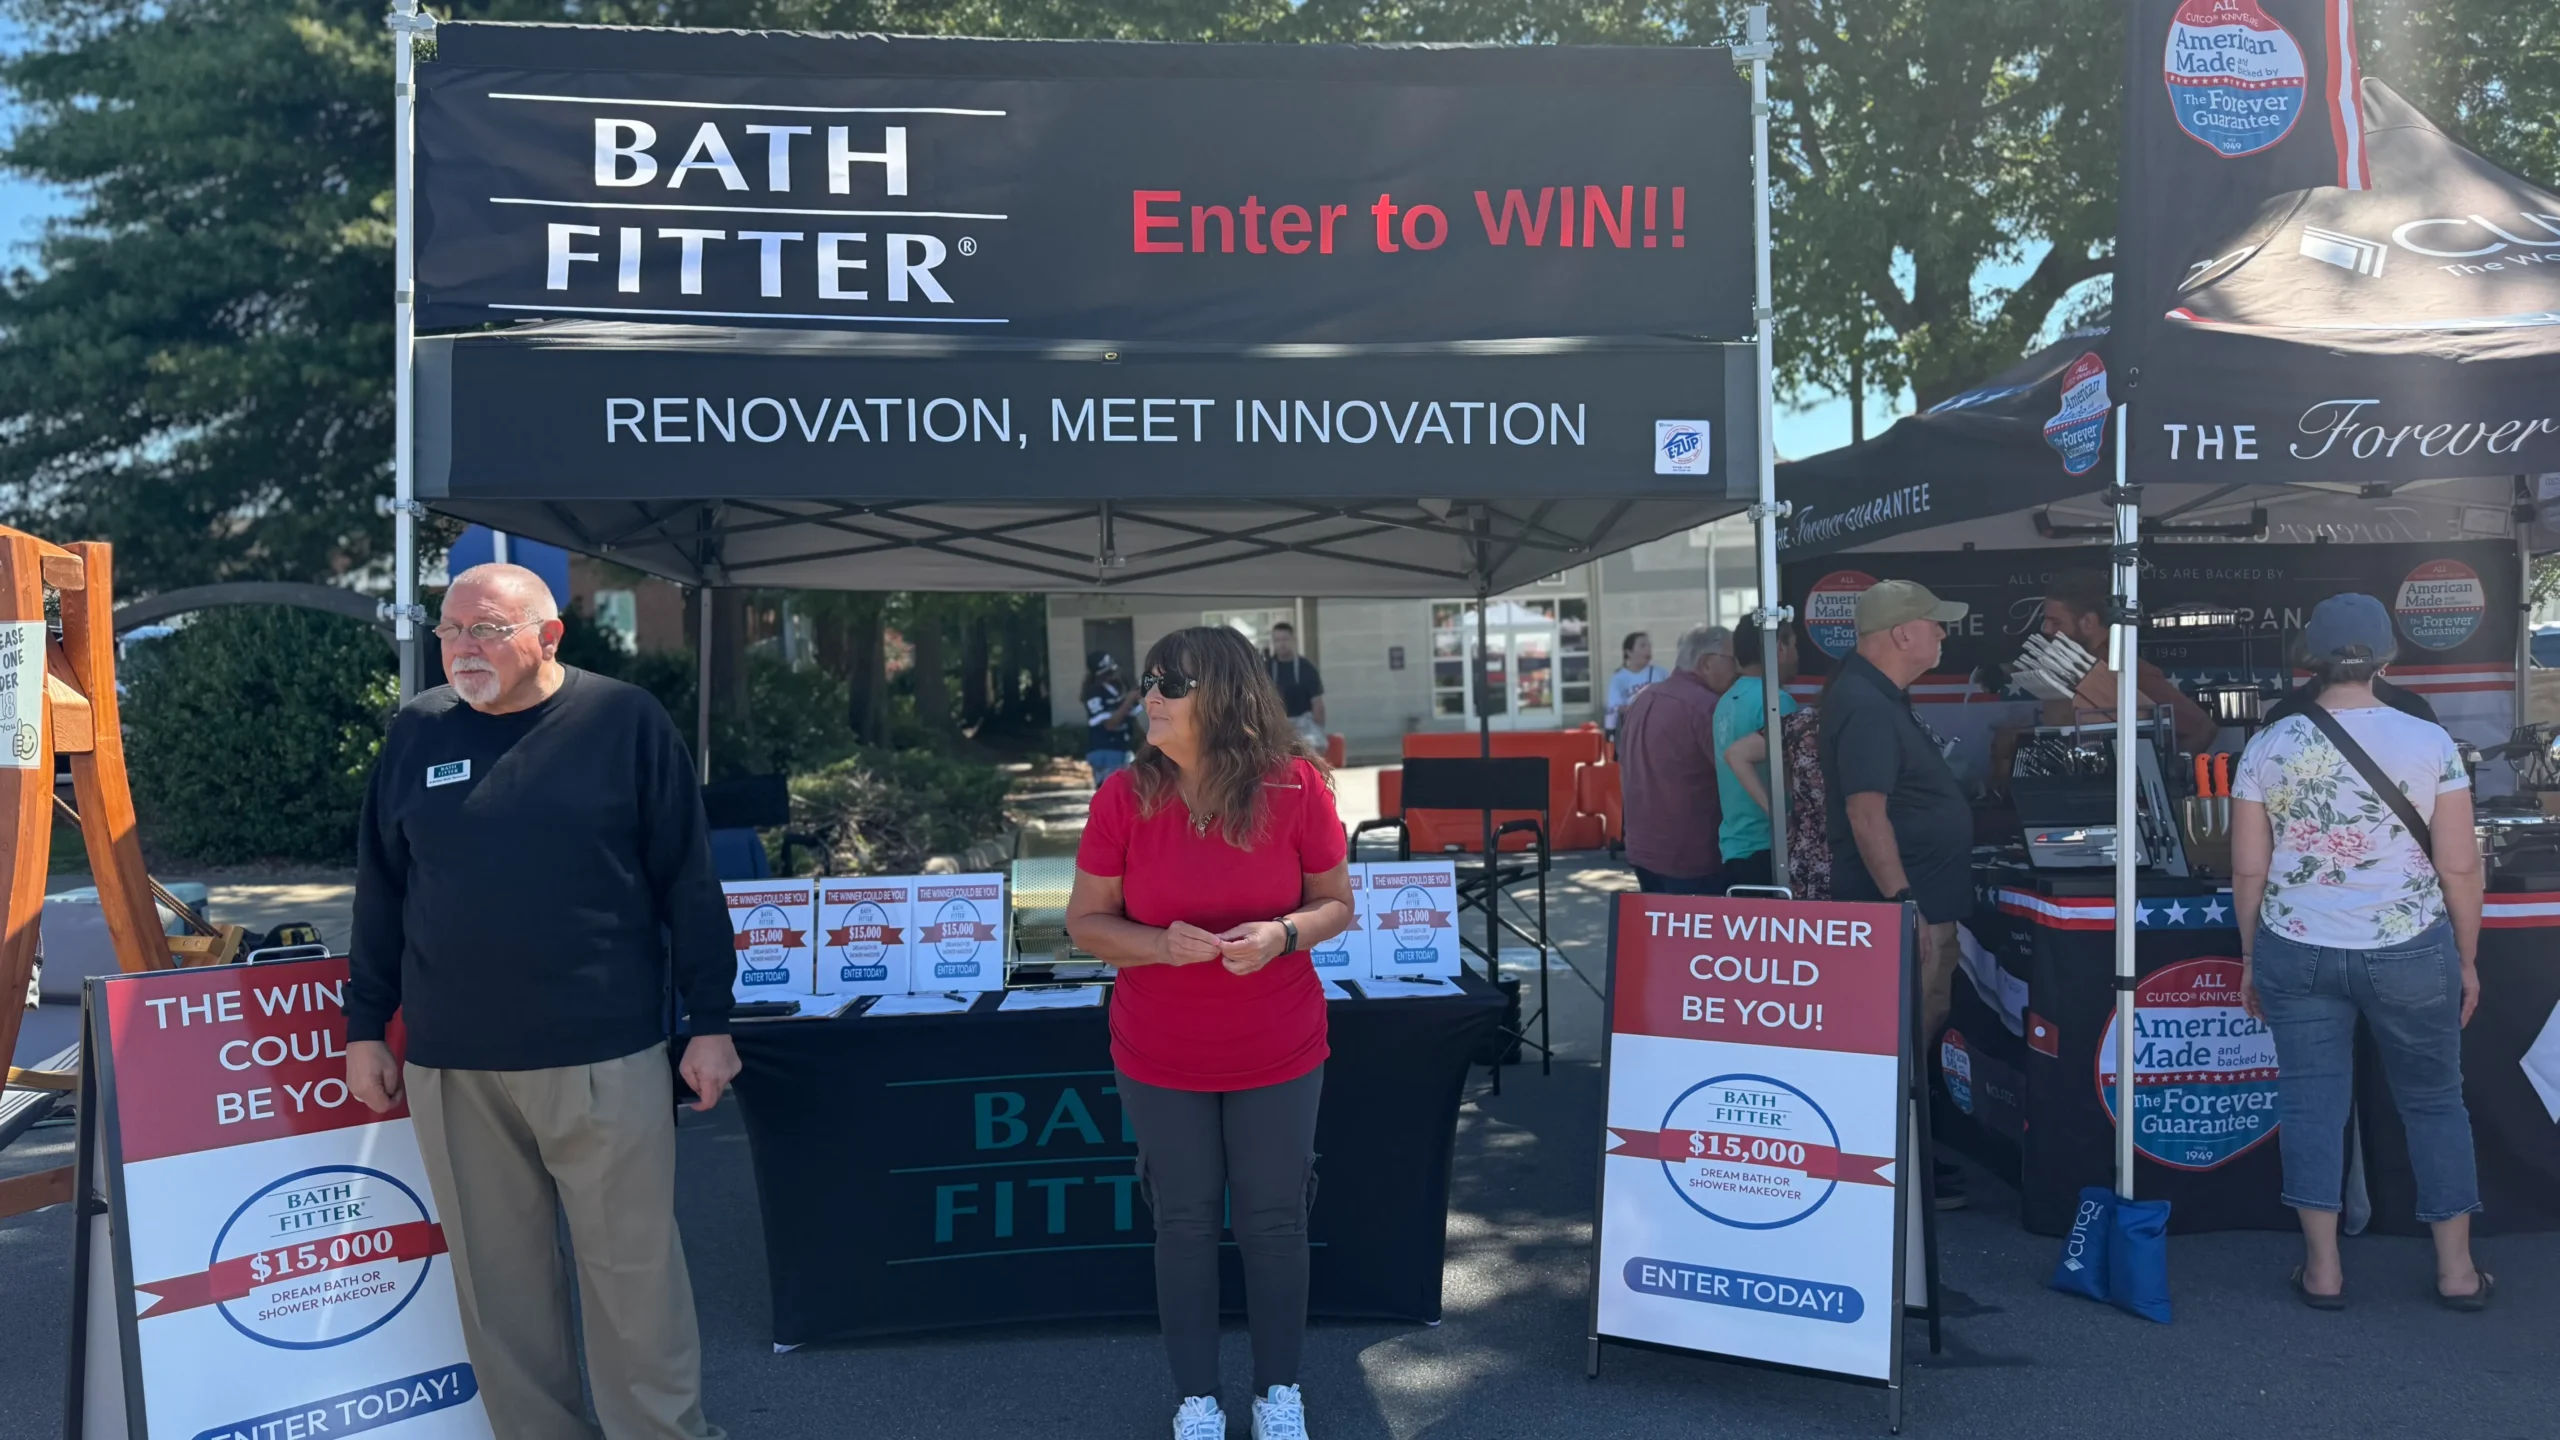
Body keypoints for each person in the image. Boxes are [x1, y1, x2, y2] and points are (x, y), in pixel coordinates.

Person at [346, 563, 735, 1440]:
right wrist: (364, 1024)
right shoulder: (417, 731)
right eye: (450, 631)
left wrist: (710, 1022)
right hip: (453, 1061)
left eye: (485, 630)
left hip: (604, 1053)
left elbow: (688, 879)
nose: (462, 649)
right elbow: (382, 889)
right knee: (499, 1291)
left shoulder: (622, 720)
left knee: (633, 1282)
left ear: (549, 636)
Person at [1065, 626, 1357, 1440]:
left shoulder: (1296, 786)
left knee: (1275, 1222)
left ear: (1224, 695)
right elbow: (1085, 922)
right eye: (1149, 680)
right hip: (1159, 1050)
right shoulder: (1123, 796)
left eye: (1171, 683)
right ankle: (1197, 1401)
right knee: (1185, 1223)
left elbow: (1336, 903)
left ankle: (1278, 1395)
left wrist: (1283, 935)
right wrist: (1159, 946)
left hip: (1279, 1045)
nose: (1149, 696)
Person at [2231, 593, 2491, 1311]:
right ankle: (2457, 1273)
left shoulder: (2268, 745)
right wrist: (2467, 958)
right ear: (2387, 658)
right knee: (2434, 1103)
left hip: (2296, 945)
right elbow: (2459, 865)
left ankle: (2323, 1271)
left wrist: (2251, 957)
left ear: (2310, 658)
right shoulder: (2429, 741)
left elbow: (2249, 870)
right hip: (2410, 946)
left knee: (2311, 1103)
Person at [1817, 579, 1973, 1208]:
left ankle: (1905, 1164)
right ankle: (1891, 1177)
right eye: (1936, 624)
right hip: (1905, 910)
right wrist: (1902, 903)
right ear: (1903, 633)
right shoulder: (1865, 703)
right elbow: (1865, 813)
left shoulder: (1876, 696)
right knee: (1894, 1044)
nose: (1943, 634)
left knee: (1910, 1039)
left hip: (1919, 906)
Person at [1617, 624, 1738, 894]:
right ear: (1707, 662)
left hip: (1643, 849)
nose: (1738, 669)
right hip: (1690, 856)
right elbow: (1737, 779)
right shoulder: (1706, 706)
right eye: (1733, 660)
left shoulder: (1643, 699)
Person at [2041, 571, 2220, 752]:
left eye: (2056, 622)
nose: (2045, 629)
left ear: (2088, 621)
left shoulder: (2129, 670)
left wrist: (2160, 767)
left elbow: (2202, 729)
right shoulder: (2072, 668)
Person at [1712, 620, 1802, 889]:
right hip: (1769, 846)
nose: (1797, 655)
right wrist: (1780, 816)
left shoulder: (1726, 701)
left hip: (1735, 844)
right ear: (1779, 648)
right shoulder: (1776, 701)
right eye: (1794, 646)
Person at [1267, 621, 1328, 751]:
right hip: (1276, 725)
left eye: (1285, 639)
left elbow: (1318, 704)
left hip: (1304, 724)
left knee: (1316, 746)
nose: (1281, 644)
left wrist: (1319, 730)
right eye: (1277, 640)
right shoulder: (1265, 669)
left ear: (1294, 640)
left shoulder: (1307, 668)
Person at [1085, 650, 1140, 784]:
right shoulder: (1095, 693)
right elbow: (1109, 724)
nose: (1116, 673)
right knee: (1114, 793)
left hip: (1122, 748)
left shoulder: (1118, 689)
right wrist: (1129, 700)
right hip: (1106, 750)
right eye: (1110, 671)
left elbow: (1133, 719)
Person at [1605, 631, 1669, 745]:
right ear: (1629, 652)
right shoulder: (1618, 678)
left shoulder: (1660, 673)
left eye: (1649, 645)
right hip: (1632, 732)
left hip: (1660, 729)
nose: (1648, 649)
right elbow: (1615, 707)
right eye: (1642, 646)